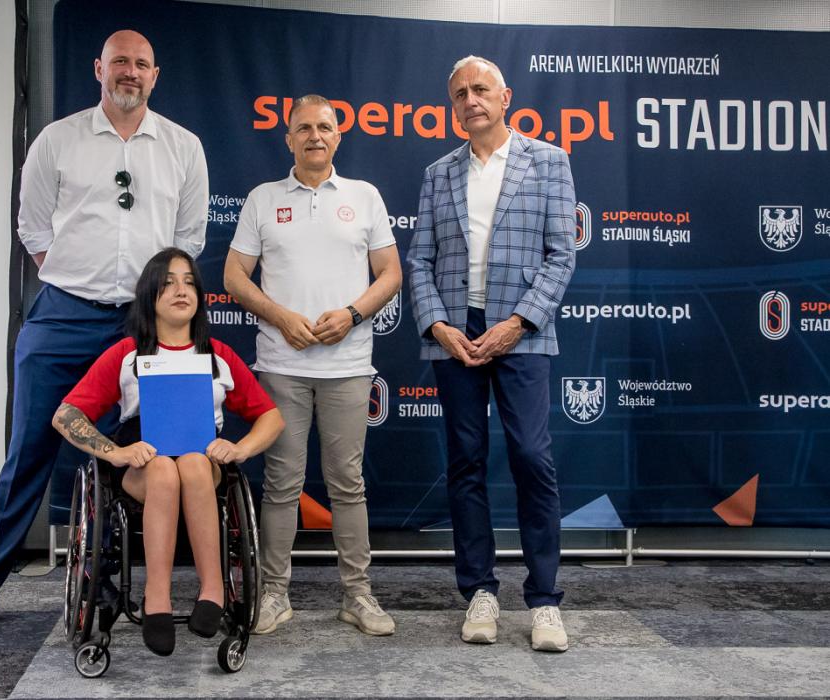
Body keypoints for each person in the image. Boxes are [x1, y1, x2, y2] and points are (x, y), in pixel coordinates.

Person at [0, 30, 208, 636]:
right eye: (120, 61)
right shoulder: (58, 139)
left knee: (142, 453)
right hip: (63, 314)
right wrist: (77, 280)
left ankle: (103, 578)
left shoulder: (184, 146)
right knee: (28, 452)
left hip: (141, 323)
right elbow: (33, 228)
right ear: (99, 68)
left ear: (155, 75)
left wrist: (143, 303)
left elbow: (189, 240)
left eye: (142, 64)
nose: (130, 72)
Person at [406, 56, 576, 652]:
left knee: (531, 456)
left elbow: (562, 255)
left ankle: (545, 599)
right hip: (456, 333)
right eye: (459, 93)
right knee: (466, 460)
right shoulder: (438, 173)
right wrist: (437, 326)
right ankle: (479, 590)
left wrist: (519, 321)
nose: (470, 100)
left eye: (480, 89)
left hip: (521, 329)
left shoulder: (549, 161)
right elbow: (419, 260)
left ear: (505, 98)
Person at [224, 95, 402, 637]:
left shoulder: (364, 196)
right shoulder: (263, 199)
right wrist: (279, 316)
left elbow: (390, 273)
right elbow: (234, 276)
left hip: (348, 364)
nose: (315, 136)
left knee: (348, 483)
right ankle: (274, 594)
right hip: (282, 365)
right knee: (281, 483)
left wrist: (352, 314)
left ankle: (358, 595)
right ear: (289, 138)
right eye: (303, 128)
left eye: (325, 127)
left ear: (338, 136)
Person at [51, 248, 283, 656]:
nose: (181, 290)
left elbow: (271, 417)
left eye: (189, 282)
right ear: (150, 295)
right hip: (143, 461)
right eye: (169, 283)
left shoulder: (217, 356)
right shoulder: (127, 355)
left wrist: (239, 447)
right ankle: (156, 594)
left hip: (202, 460)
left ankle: (213, 589)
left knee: (192, 463)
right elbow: (66, 415)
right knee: (162, 469)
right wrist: (114, 452)